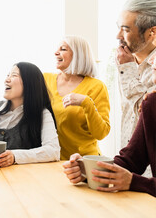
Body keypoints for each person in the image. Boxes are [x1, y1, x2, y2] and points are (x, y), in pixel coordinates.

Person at [62, 53, 156, 197]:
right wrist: (90, 169)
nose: (151, 60)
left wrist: (135, 182)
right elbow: (131, 159)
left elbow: (132, 176)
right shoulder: (151, 103)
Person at [44, 36, 110, 160]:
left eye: (63, 49)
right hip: (51, 161)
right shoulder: (45, 80)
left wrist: (86, 103)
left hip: (84, 163)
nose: (56, 52)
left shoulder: (96, 87)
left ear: (78, 55)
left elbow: (101, 133)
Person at [115, 0, 156, 149]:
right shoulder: (124, 59)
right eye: (118, 28)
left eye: (125, 30)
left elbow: (146, 116)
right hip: (127, 158)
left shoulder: (151, 67)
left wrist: (128, 69)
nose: (118, 36)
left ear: (152, 32)